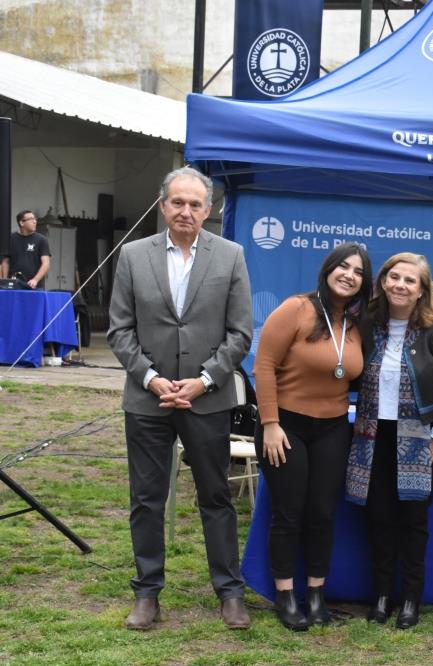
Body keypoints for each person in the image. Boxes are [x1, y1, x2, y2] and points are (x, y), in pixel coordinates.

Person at [107, 167, 253, 631]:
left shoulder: (231, 256)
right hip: (148, 399)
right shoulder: (132, 256)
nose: (186, 211)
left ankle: (230, 592)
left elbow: (240, 334)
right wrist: (151, 378)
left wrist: (204, 380)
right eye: (178, 202)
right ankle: (147, 593)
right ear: (162, 205)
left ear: (209, 211)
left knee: (215, 496)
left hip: (206, 400)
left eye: (195, 204)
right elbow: (119, 330)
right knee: (147, 498)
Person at [346, 252, 433, 630]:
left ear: (422, 290)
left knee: (413, 520)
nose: (400, 284)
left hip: (421, 439)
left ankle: (411, 599)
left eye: (409, 280)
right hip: (371, 435)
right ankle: (382, 596)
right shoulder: (364, 324)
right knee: (378, 518)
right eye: (393, 277)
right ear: (382, 281)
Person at [252, 244, 372, 631]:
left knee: (322, 512)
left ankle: (316, 593)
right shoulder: (296, 309)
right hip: (285, 426)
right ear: (328, 269)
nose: (349, 275)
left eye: (357, 271)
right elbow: (264, 365)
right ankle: (285, 595)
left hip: (334, 427)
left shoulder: (355, 324)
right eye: (343, 267)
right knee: (288, 513)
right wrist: (270, 423)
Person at [1, 210, 51, 288]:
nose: (34, 221)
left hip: (34, 286)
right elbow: (5, 261)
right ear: (22, 223)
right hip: (14, 284)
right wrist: (5, 281)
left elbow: (46, 263)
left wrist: (35, 279)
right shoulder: (10, 239)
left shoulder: (42, 240)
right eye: (31, 219)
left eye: (35, 219)